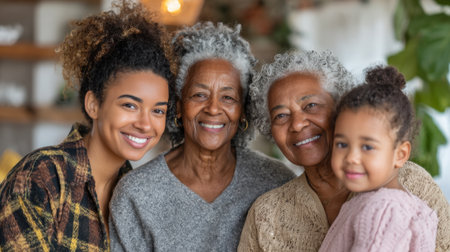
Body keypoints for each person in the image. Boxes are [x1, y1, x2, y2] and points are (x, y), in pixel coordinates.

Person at [0, 1, 176, 250]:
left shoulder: (138, 195)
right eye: (130, 105)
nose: (145, 124)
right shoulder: (43, 176)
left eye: (158, 110)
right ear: (93, 104)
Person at [109, 22, 296, 251]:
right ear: (177, 106)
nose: (213, 109)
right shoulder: (136, 194)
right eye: (199, 94)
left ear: (243, 111)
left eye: (228, 98)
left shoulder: (276, 182)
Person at [238, 50, 450, 251]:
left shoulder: (410, 184)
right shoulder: (266, 215)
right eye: (281, 116)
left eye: (311, 105)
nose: (297, 124)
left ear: (341, 109)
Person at [318, 65, 438, 251]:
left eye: (367, 146)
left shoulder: (382, 211)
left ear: (400, 154)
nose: (352, 157)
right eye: (342, 144)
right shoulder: (407, 207)